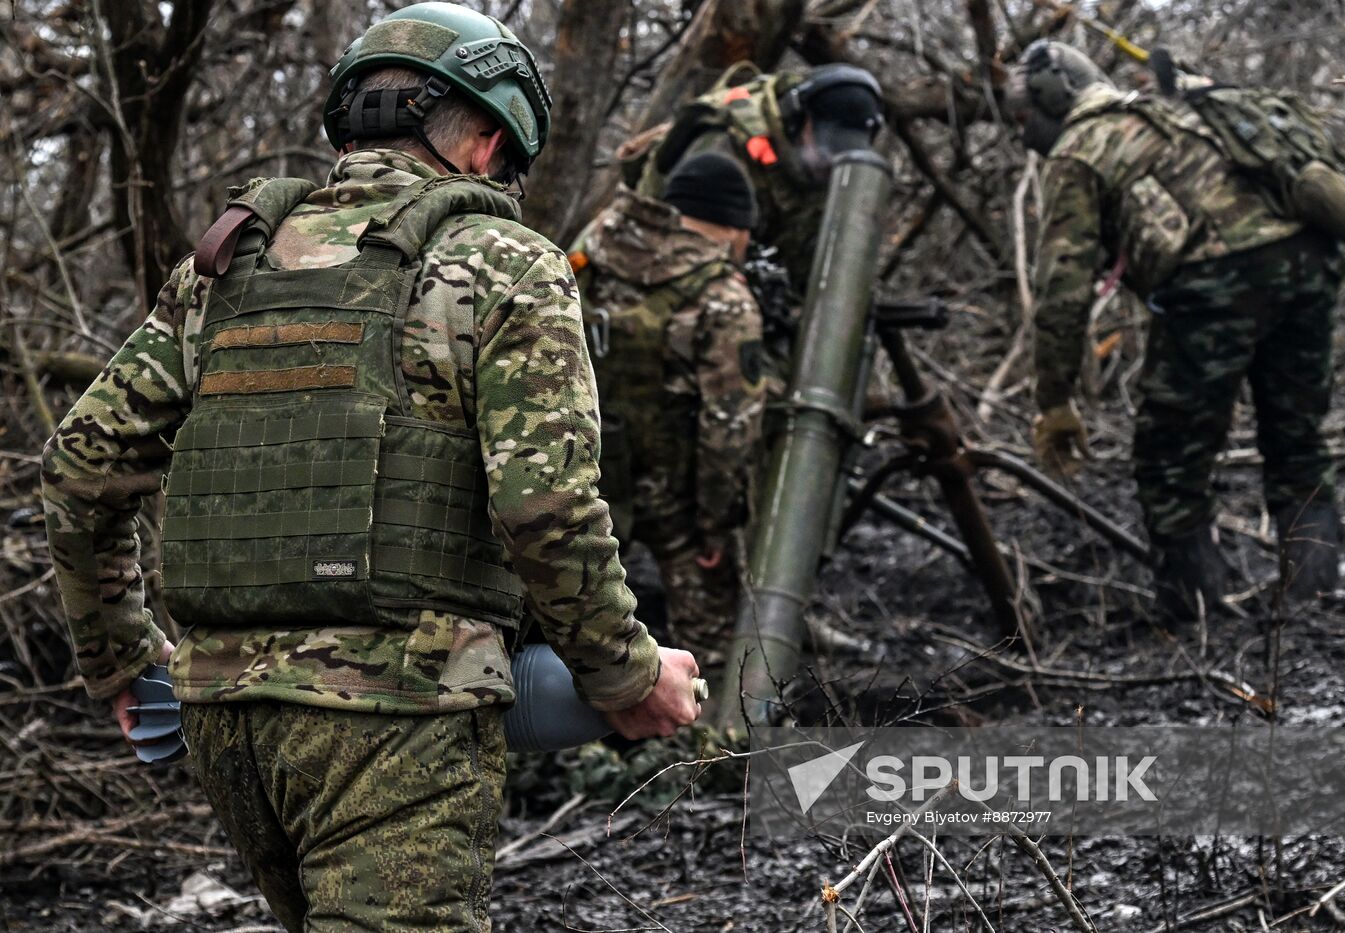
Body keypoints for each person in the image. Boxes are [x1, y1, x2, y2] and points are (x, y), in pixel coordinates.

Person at [40, 4, 700, 930]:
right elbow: (545, 506)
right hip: (397, 722)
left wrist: (118, 656)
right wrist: (628, 676)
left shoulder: (228, 266)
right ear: (483, 139)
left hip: (226, 718)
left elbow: (79, 462)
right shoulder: (503, 263)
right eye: (510, 158)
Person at [1009, 40, 1345, 621]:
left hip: (1215, 284)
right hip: (1307, 260)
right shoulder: (1173, 109)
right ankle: (1316, 599)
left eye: (1024, 114)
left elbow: (1062, 289)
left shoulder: (1080, 149)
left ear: (1052, 96)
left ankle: (1193, 617)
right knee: (1297, 442)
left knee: (1169, 461)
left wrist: (1055, 399)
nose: (1024, 132)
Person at [572, 153, 766, 664]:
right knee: (714, 645)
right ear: (732, 225)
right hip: (674, 498)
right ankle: (701, 739)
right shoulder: (723, 297)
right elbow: (728, 431)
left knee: (564, 620)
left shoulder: (596, 242)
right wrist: (717, 527)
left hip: (579, 474)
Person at [626, 63, 884, 292]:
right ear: (798, 119)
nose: (830, 163)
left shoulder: (830, 171)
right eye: (828, 147)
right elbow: (685, 258)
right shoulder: (724, 149)